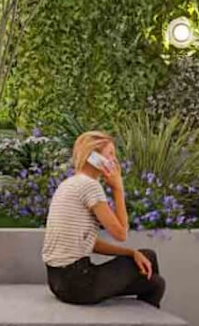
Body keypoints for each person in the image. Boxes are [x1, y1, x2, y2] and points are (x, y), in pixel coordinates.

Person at [42, 130, 165, 307]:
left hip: (58, 281)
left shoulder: (69, 184)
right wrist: (118, 188)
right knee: (156, 283)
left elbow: (88, 243)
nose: (114, 161)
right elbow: (121, 233)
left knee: (145, 258)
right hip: (78, 283)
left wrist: (131, 253)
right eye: (110, 154)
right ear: (93, 157)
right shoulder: (89, 186)